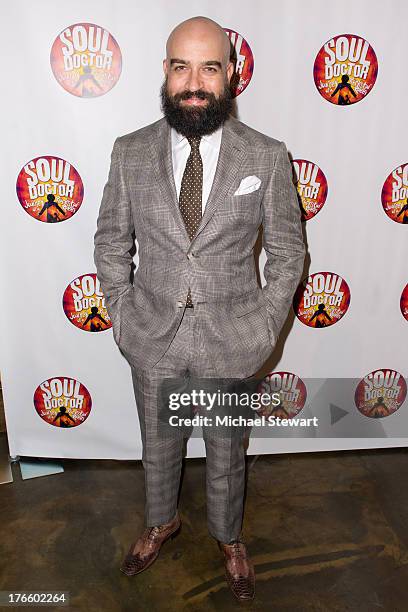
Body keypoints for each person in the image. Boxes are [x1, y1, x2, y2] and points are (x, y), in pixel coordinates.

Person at [93, 15, 305, 602]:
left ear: (229, 74)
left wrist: (263, 326)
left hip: (232, 339)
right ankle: (160, 521)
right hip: (152, 334)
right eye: (181, 67)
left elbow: (288, 252)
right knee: (156, 445)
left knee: (226, 452)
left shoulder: (265, 155)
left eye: (209, 67)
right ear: (164, 72)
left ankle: (228, 535)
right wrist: (123, 314)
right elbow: (111, 242)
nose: (194, 82)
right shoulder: (129, 152)